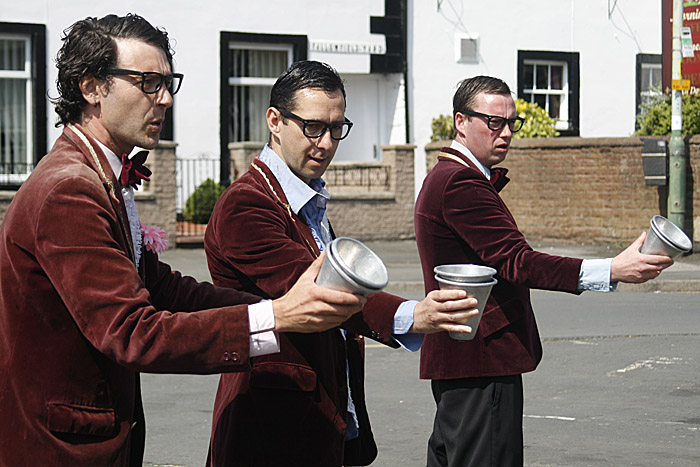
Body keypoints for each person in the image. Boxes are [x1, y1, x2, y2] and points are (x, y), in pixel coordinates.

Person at [0, 16, 367, 466]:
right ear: (92, 87)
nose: (166, 99)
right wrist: (275, 315)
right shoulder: (69, 189)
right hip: (59, 448)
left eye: (168, 82)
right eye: (148, 82)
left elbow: (165, 288)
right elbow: (131, 332)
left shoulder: (97, 176)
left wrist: (273, 313)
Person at [204, 60, 479, 467]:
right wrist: (411, 314)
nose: (327, 143)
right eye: (313, 127)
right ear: (275, 121)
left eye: (337, 128)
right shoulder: (248, 204)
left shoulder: (303, 194)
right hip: (271, 424)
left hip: (318, 414)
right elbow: (323, 290)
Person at [414, 75, 675, 467]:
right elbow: (519, 261)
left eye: (511, 123)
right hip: (481, 360)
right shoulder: (460, 183)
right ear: (460, 122)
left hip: (463, 359)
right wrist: (611, 270)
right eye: (493, 122)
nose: (506, 133)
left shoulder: (450, 176)